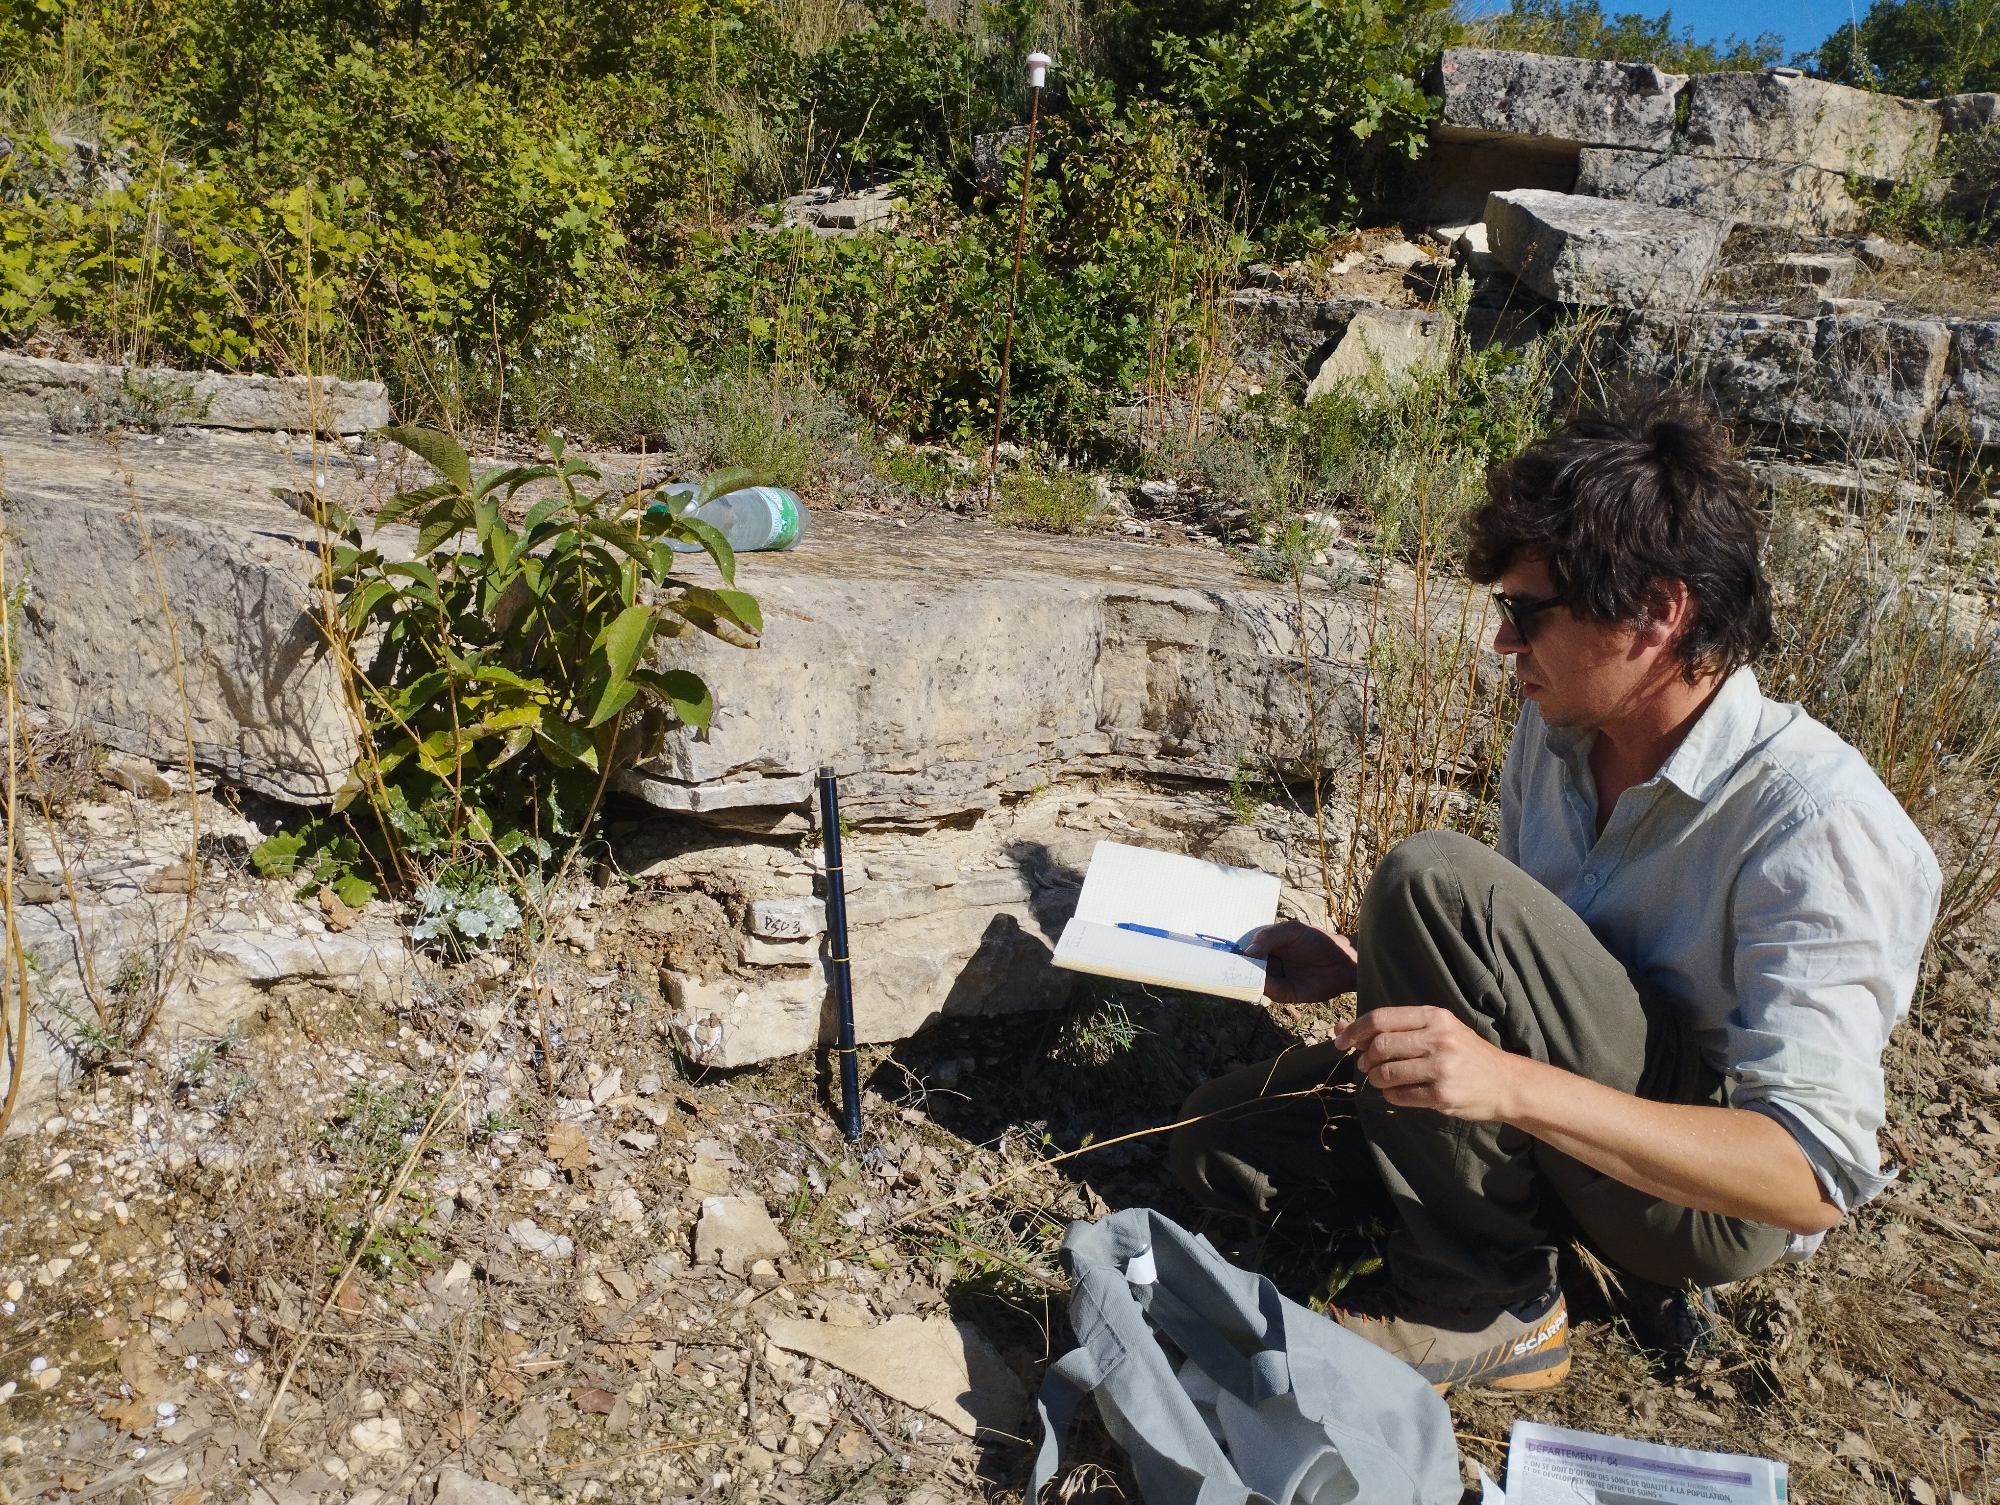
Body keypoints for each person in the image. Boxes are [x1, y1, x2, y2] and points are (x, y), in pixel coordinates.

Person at [1168, 393, 1940, 1394]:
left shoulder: (1815, 820)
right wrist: (1371, 965)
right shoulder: (1562, 726)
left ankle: (1489, 1304)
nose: (1503, 644)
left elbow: (1806, 1176)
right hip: (1566, 1118)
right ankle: (1550, 1239)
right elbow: (1527, 972)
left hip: (1696, 1200)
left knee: (1429, 878)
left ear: (1656, 611)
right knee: (1219, 1138)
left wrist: (1508, 1086)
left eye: (1525, 612)